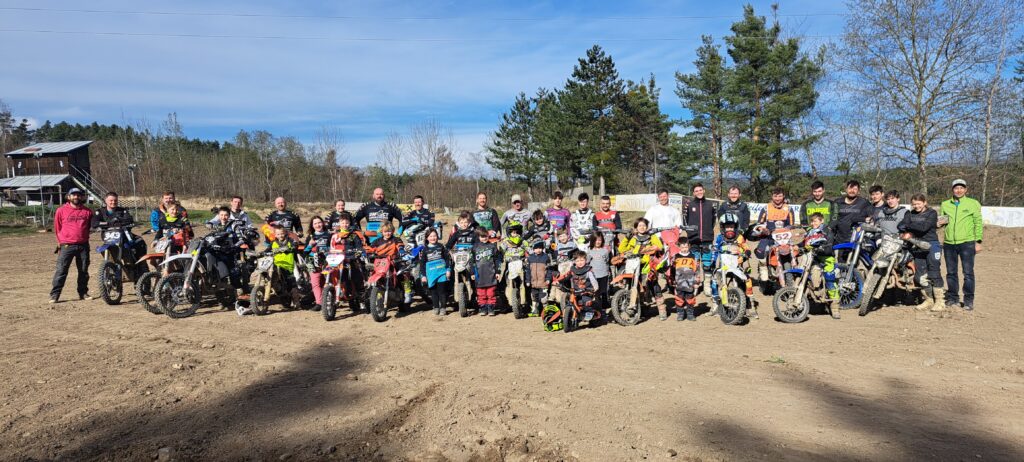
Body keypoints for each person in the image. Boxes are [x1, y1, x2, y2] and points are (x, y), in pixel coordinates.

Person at [939, 179, 983, 311]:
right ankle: (953, 298)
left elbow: (978, 222)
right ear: (952, 189)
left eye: (961, 188)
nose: (959, 190)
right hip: (949, 243)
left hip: (967, 243)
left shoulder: (973, 203)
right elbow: (943, 221)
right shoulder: (945, 204)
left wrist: (978, 241)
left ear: (966, 190)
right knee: (951, 273)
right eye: (956, 188)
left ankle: (968, 300)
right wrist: (938, 224)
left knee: (968, 273)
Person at [899, 194, 943, 312]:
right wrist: (910, 226)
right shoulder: (909, 213)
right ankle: (928, 300)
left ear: (924, 203)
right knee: (919, 276)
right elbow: (900, 225)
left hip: (932, 245)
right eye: (914, 204)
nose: (916, 206)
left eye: (919, 203)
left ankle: (939, 301)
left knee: (934, 273)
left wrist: (909, 226)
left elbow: (924, 228)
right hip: (917, 245)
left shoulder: (932, 213)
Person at [618, 218, 668, 320]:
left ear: (647, 227)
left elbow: (659, 246)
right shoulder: (633, 238)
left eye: (644, 225)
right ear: (636, 227)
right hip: (635, 265)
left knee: (654, 286)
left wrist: (649, 249)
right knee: (639, 287)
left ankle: (662, 310)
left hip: (648, 265)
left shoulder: (651, 236)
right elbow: (622, 249)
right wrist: (627, 238)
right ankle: (643, 310)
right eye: (640, 225)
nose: (642, 227)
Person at [50, 188, 94, 303]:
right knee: (61, 270)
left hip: (83, 245)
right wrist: (60, 242)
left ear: (82, 197)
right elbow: (57, 227)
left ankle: (83, 292)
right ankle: (55, 294)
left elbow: (90, 226)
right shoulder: (61, 210)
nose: (76, 197)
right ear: (68, 197)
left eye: (78, 195)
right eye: (73, 195)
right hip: (66, 245)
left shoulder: (87, 212)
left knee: (83, 271)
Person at [710, 213, 755, 317]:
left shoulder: (739, 237)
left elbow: (745, 246)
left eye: (731, 226)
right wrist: (712, 262)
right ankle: (715, 305)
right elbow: (715, 250)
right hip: (723, 265)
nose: (729, 229)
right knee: (714, 281)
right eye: (727, 227)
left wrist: (747, 251)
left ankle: (750, 305)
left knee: (747, 280)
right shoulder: (719, 238)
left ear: (736, 227)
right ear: (722, 227)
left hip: (736, 265)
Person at [92, 191, 147, 272]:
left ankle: (142, 264)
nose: (113, 202)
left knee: (139, 241)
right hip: (108, 237)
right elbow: (94, 223)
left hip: (123, 235)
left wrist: (118, 221)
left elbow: (129, 219)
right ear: (106, 201)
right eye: (111, 200)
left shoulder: (122, 210)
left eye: (115, 200)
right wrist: (108, 223)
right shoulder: (100, 212)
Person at [752, 188, 795, 284]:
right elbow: (760, 223)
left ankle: (793, 270)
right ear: (772, 197)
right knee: (761, 250)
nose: (777, 198)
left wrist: (788, 229)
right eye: (775, 196)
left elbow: (792, 224)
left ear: (783, 196)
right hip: (769, 236)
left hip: (784, 237)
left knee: (796, 250)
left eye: (780, 196)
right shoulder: (766, 208)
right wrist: (762, 229)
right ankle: (763, 266)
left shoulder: (789, 208)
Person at [804, 213, 841, 318]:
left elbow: (829, 245)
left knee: (830, 280)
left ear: (821, 221)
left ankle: (835, 307)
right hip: (813, 259)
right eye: (811, 221)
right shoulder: (810, 232)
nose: (813, 223)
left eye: (815, 221)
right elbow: (806, 243)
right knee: (811, 277)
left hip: (827, 258)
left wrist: (822, 248)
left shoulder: (827, 231)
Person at [368, 222, 413, 303]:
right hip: (381, 263)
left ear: (392, 231)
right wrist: (365, 252)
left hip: (394, 261)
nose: (387, 233)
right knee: (371, 272)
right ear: (382, 231)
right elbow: (370, 249)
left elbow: (400, 245)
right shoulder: (377, 241)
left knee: (404, 272)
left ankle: (407, 292)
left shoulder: (396, 239)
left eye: (389, 231)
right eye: (385, 231)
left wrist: (401, 250)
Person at [683, 183, 717, 275]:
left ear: (704, 191)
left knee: (707, 265)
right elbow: (685, 221)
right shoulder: (689, 205)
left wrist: (708, 231)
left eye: (700, 190)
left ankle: (707, 287)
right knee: (694, 266)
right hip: (694, 239)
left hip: (707, 239)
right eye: (696, 191)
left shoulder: (711, 205)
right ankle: (696, 288)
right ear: (693, 193)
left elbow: (713, 221)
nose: (699, 192)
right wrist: (690, 233)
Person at [419, 228, 453, 315]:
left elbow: (447, 259)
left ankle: (443, 308)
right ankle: (436, 307)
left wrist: (448, 270)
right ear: (427, 238)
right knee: (433, 292)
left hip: (442, 272)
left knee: (442, 291)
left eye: (434, 236)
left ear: (437, 237)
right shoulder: (424, 250)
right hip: (431, 274)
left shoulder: (441, 246)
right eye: (431, 236)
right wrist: (423, 275)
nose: (433, 238)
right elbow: (422, 264)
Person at [560, 250, 601, 321]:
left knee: (585, 303)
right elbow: (567, 278)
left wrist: (595, 289)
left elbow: (593, 281)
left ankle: (591, 313)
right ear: (575, 261)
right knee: (570, 302)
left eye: (582, 260)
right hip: (576, 292)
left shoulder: (588, 271)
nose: (580, 262)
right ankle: (569, 315)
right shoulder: (573, 270)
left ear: (585, 260)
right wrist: (559, 282)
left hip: (587, 291)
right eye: (578, 261)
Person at [472, 227, 502, 316]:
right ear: (478, 237)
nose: (484, 238)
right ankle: (483, 308)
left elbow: (497, 260)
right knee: (481, 293)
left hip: (491, 274)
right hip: (479, 274)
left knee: (491, 293)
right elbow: (471, 261)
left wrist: (497, 272)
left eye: (485, 236)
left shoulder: (492, 246)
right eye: (482, 236)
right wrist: (472, 273)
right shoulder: (475, 248)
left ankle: (491, 308)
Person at [498, 221, 528, 311]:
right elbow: (499, 252)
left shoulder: (523, 241)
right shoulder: (506, 242)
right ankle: (507, 303)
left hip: (521, 264)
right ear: (509, 233)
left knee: (526, 283)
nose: (515, 234)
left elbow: (530, 250)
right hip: (510, 264)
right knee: (503, 284)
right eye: (513, 232)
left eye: (517, 232)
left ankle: (525, 302)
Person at [833, 180, 873, 245]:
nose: (852, 191)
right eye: (850, 188)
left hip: (856, 239)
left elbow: (872, 216)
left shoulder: (864, 202)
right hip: (838, 239)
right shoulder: (837, 202)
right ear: (846, 189)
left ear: (858, 191)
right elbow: (832, 218)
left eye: (855, 189)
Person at [305, 216, 332, 311]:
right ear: (312, 226)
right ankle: (319, 303)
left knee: (327, 282)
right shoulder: (311, 237)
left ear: (323, 223)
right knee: (315, 283)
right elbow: (305, 251)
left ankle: (328, 301)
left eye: (319, 222)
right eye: (315, 223)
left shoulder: (329, 235)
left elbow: (333, 248)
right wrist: (309, 245)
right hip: (313, 263)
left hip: (327, 262)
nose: (318, 225)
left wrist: (326, 250)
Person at [269, 225, 301, 304]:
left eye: (282, 233)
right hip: (277, 265)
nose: (280, 235)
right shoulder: (273, 242)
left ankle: (296, 302)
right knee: (273, 279)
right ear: (275, 235)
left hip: (288, 266)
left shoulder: (290, 240)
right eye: (278, 234)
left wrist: (291, 248)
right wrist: (262, 253)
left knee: (292, 284)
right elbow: (268, 249)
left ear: (286, 233)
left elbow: (295, 245)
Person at [672, 240, 700, 321]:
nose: (684, 249)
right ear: (679, 247)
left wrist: (696, 281)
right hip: (679, 282)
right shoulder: (676, 257)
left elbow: (697, 269)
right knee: (679, 299)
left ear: (689, 246)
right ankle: (680, 313)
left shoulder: (693, 256)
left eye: (686, 247)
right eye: (682, 247)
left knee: (690, 299)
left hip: (690, 282)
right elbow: (672, 269)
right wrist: (672, 280)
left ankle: (690, 314)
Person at [525, 240, 555, 317]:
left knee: (543, 298)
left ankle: (546, 311)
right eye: (536, 248)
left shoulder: (546, 257)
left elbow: (549, 270)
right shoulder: (530, 258)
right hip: (533, 282)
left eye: (540, 248)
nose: (538, 250)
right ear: (533, 249)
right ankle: (535, 310)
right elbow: (528, 270)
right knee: (534, 297)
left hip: (543, 282)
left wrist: (548, 279)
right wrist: (528, 280)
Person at [587, 233, 612, 313]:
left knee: (604, 289)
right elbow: (587, 261)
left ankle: (605, 304)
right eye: (596, 240)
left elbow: (607, 261)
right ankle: (597, 306)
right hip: (594, 275)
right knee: (596, 291)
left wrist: (608, 271)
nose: (598, 242)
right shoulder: (590, 251)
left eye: (600, 240)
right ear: (592, 241)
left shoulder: (605, 251)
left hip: (604, 273)